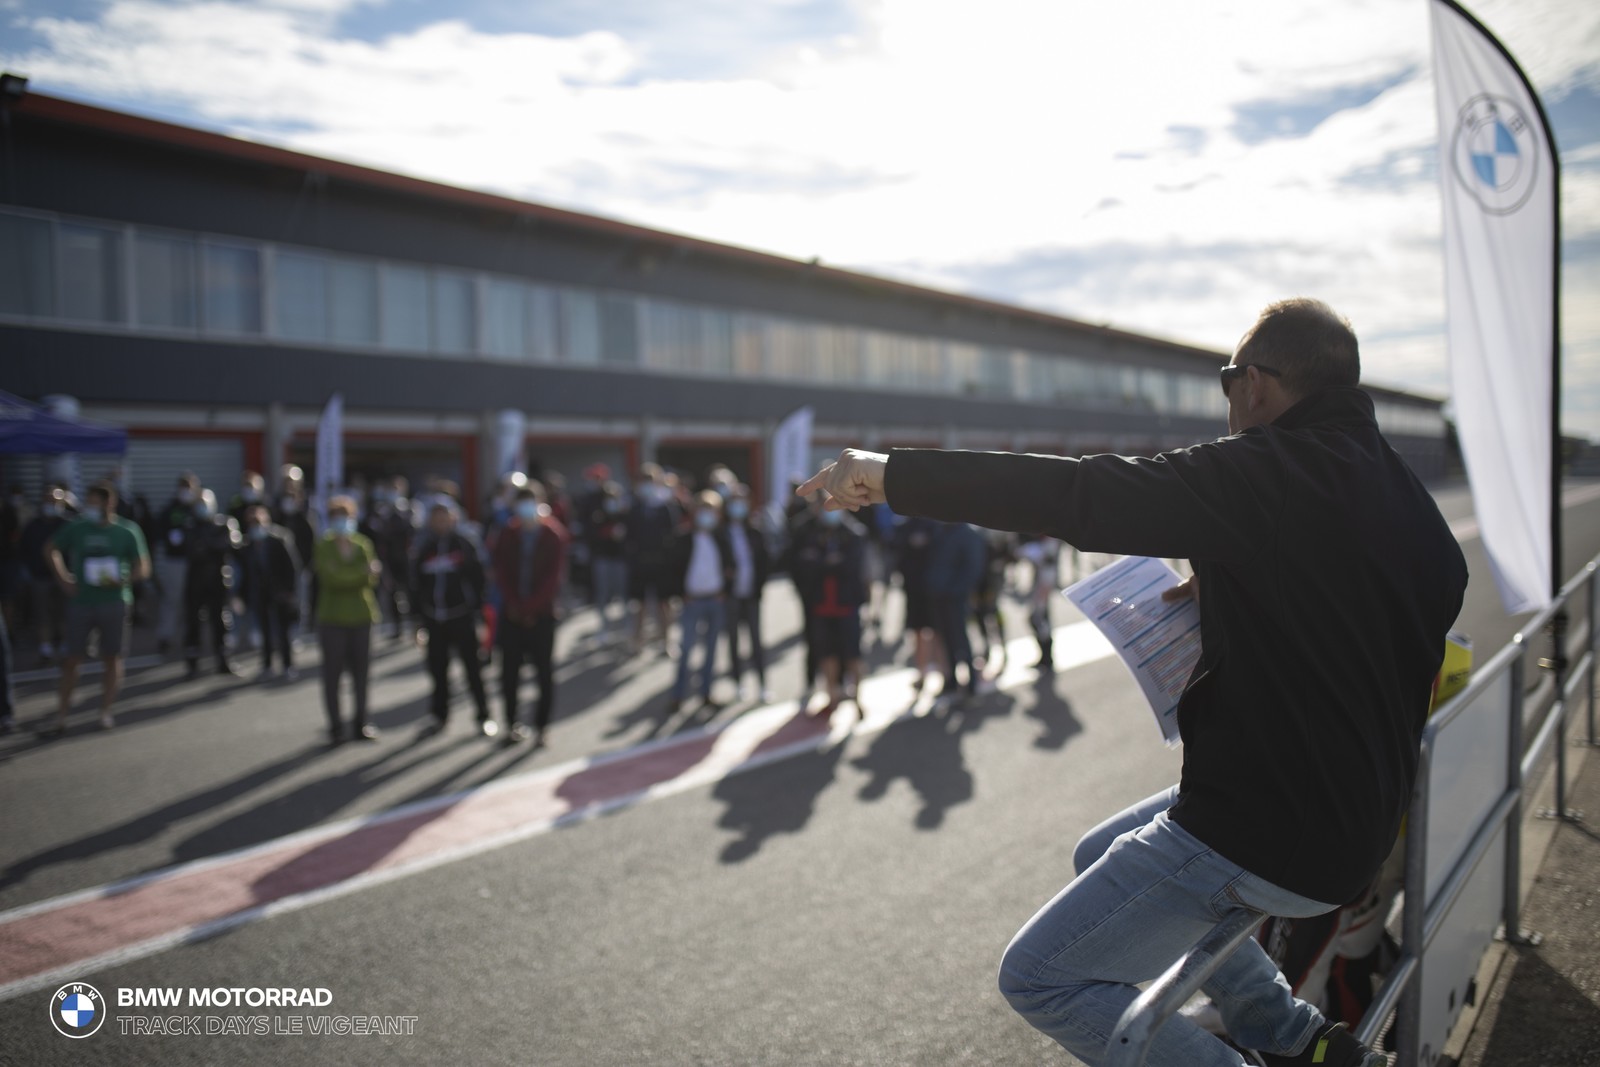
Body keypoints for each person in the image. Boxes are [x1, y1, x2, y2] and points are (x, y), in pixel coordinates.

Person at [797, 298, 1467, 1067]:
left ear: (1254, 383)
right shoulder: (1398, 493)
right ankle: (1297, 1037)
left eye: (1226, 380)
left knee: (1042, 978)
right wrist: (1244, 586)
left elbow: (1084, 494)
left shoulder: (1267, 469)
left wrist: (891, 474)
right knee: (1100, 848)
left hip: (1270, 825)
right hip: (1360, 821)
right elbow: (1402, 595)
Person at [45, 481, 152, 735]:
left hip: (114, 601)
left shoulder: (127, 531)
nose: (90, 507)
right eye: (89, 501)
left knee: (112, 657)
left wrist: (124, 579)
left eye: (95, 502)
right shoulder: (78, 528)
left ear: (109, 503)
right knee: (72, 659)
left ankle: (105, 711)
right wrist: (63, 579)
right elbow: (50, 549)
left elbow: (143, 567)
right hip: (82, 601)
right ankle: (61, 716)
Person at [489, 482, 568, 747]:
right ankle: (512, 724)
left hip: (542, 616)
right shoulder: (508, 534)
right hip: (511, 614)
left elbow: (552, 579)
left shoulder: (552, 534)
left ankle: (542, 727)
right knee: (509, 673)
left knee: (543, 673)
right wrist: (514, 605)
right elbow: (501, 573)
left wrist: (531, 608)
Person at [411, 501, 493, 737]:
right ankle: (439, 716)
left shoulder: (465, 544)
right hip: (434, 619)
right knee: (438, 671)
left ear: (454, 517)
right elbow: (415, 584)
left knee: (473, 669)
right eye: (436, 517)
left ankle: (484, 715)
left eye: (445, 516)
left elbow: (479, 580)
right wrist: (418, 619)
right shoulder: (424, 546)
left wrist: (479, 615)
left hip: (462, 616)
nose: (441, 522)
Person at [314, 496, 381, 743]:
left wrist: (356, 575)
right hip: (332, 618)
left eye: (347, 516)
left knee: (361, 675)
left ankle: (361, 722)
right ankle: (335, 726)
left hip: (362, 616)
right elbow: (331, 579)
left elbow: (371, 578)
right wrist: (359, 574)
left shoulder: (363, 543)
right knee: (332, 675)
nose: (343, 522)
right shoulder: (324, 545)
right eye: (338, 517)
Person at [799, 505, 867, 722]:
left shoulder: (853, 533)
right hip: (821, 606)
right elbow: (806, 563)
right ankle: (832, 697)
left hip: (846, 605)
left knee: (852, 655)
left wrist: (825, 562)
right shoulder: (812, 534)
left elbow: (851, 566)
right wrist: (827, 562)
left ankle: (857, 699)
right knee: (827, 654)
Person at [668, 491, 733, 714]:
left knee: (711, 650)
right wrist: (681, 593)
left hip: (715, 600)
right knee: (686, 649)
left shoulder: (721, 538)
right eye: (703, 509)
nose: (707, 515)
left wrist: (724, 590)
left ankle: (706, 693)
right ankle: (678, 696)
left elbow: (730, 567)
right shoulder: (683, 537)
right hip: (692, 602)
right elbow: (672, 569)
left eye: (712, 510)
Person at [926, 520, 987, 709]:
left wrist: (954, 589)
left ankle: (971, 686)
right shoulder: (940, 531)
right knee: (946, 640)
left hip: (956, 598)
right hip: (939, 595)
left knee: (961, 641)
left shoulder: (967, 535)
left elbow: (973, 568)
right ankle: (951, 680)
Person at [183, 489, 243, 679]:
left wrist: (207, 544)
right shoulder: (190, 525)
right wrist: (210, 545)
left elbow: (231, 545)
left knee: (221, 622)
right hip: (196, 582)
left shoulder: (224, 523)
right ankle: (192, 664)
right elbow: (190, 549)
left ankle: (224, 660)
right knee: (193, 622)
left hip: (218, 581)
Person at [238, 505, 301, 682]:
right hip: (260, 593)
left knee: (283, 631)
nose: (255, 526)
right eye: (251, 523)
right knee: (264, 631)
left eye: (258, 522)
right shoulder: (248, 544)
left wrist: (290, 591)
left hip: (280, 593)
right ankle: (267, 665)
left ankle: (288, 665)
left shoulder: (279, 539)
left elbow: (292, 567)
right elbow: (246, 572)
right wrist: (241, 595)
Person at [723, 486, 771, 704]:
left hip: (751, 594)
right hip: (731, 595)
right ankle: (738, 683)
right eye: (734, 501)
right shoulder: (722, 532)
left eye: (742, 501)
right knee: (733, 641)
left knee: (755, 641)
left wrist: (759, 586)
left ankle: (762, 684)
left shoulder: (755, 532)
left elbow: (764, 563)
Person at [627, 464, 681, 656]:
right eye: (643, 481)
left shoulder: (666, 507)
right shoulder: (634, 507)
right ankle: (637, 642)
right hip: (640, 564)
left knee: (663, 604)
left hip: (662, 564)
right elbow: (629, 536)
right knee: (639, 605)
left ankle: (666, 641)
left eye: (650, 481)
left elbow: (673, 536)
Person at [20, 485, 74, 664]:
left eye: (56, 501)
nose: (51, 504)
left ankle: (66, 644)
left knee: (65, 612)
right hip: (40, 576)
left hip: (65, 577)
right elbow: (24, 549)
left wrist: (71, 502)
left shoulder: (67, 523)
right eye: (48, 500)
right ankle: (45, 647)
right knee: (42, 613)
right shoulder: (33, 525)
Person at [362, 477, 417, 641]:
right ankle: (397, 626)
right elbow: (374, 532)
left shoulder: (409, 509)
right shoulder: (380, 511)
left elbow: (413, 531)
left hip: (407, 559)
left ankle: (415, 626)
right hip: (389, 559)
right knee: (392, 593)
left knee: (411, 592)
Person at [892, 513, 942, 692]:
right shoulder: (904, 526)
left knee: (938, 631)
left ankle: (945, 673)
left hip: (935, 588)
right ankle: (922, 673)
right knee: (918, 632)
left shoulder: (935, 524)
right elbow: (896, 555)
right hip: (913, 588)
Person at [153, 472, 201, 654]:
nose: (187, 491)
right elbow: (158, 531)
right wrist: (169, 537)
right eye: (184, 487)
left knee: (196, 602)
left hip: (197, 562)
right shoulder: (171, 509)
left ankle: (191, 638)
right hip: (176, 560)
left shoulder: (199, 506)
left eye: (190, 487)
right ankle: (166, 635)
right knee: (172, 599)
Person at [584, 479, 630, 646]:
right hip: (602, 559)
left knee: (624, 594)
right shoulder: (598, 516)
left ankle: (626, 628)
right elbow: (591, 534)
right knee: (602, 594)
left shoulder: (624, 515)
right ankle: (603, 628)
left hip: (620, 560)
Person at [1017, 534, 1062, 672]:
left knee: (1039, 619)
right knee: (1038, 618)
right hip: (1042, 579)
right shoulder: (1045, 542)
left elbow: (1046, 559)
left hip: (1045, 581)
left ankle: (1047, 657)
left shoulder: (1050, 541)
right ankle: (1045, 656)